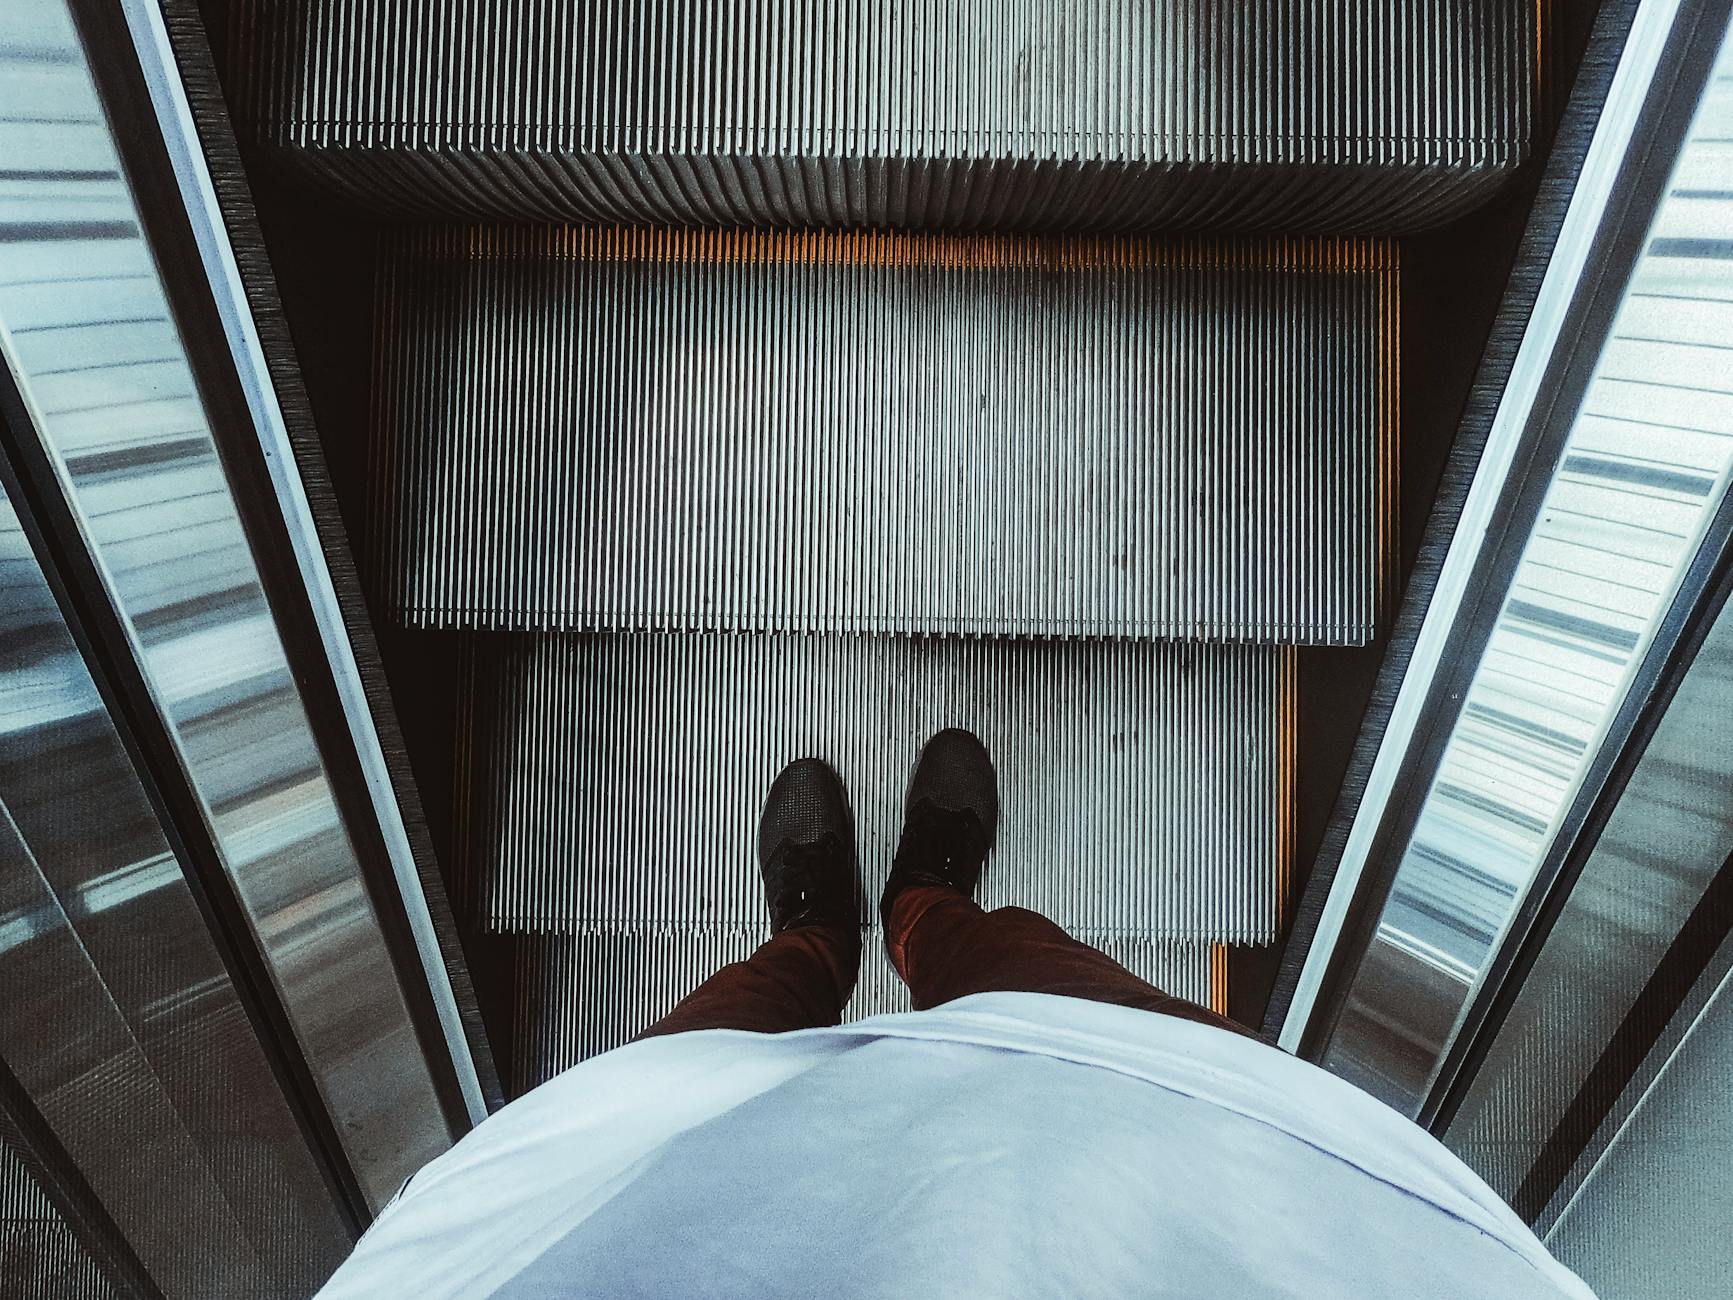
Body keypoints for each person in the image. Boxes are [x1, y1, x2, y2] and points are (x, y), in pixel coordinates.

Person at [318, 730, 1595, 1298]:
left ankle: (818, 935)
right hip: (1188, 1182)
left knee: (718, 1049)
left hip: (613, 1228)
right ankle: (922, 905)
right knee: (1032, 981)